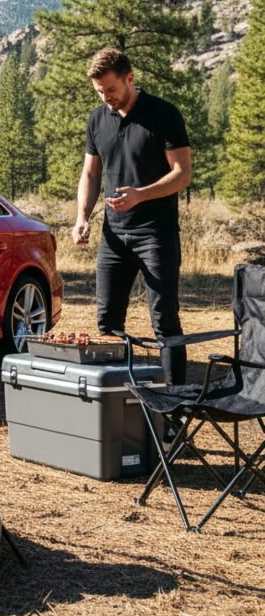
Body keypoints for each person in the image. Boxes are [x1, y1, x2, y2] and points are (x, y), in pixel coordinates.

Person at [72, 48, 192, 385]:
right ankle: (112, 405)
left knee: (164, 320)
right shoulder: (97, 119)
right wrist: (82, 216)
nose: (107, 98)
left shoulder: (163, 114)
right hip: (114, 236)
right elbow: (91, 174)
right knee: (107, 323)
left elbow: (182, 174)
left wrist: (142, 194)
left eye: (111, 89)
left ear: (130, 79)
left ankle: (173, 407)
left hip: (156, 234)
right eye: (100, 92)